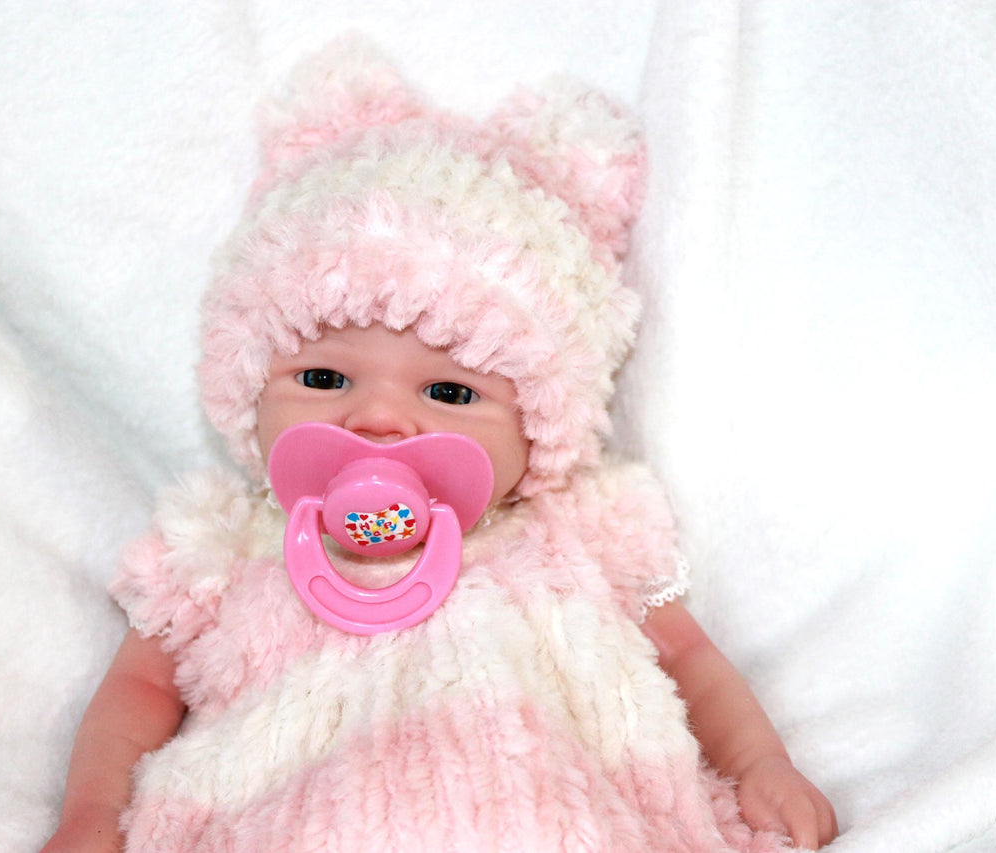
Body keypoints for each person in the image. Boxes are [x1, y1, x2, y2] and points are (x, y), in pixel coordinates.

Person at [43, 36, 838, 853]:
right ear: (248, 381)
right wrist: (94, 813)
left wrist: (758, 762)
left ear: (541, 425)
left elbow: (693, 662)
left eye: (450, 392)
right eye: (323, 378)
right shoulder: (225, 545)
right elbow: (140, 686)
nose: (378, 422)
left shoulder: (578, 534)